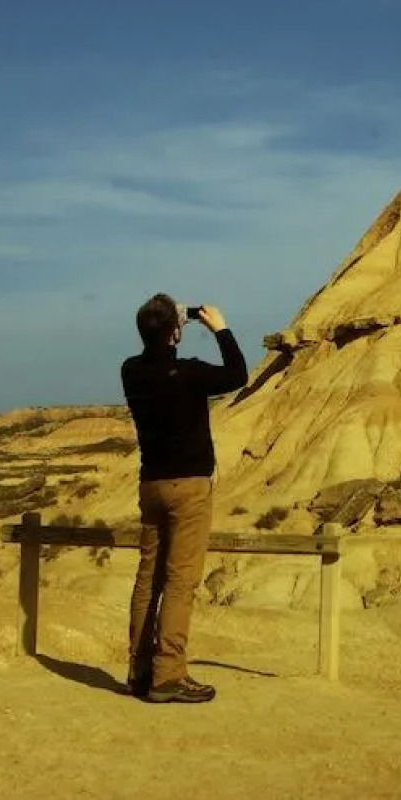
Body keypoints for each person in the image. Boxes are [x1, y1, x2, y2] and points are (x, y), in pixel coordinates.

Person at [120, 292, 247, 704]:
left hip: (151, 486)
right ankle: (169, 674)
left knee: (148, 578)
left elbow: (156, 352)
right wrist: (219, 328)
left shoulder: (131, 371)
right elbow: (238, 374)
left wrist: (173, 323)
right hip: (189, 488)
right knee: (181, 580)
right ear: (175, 333)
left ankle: (140, 670)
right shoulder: (190, 373)